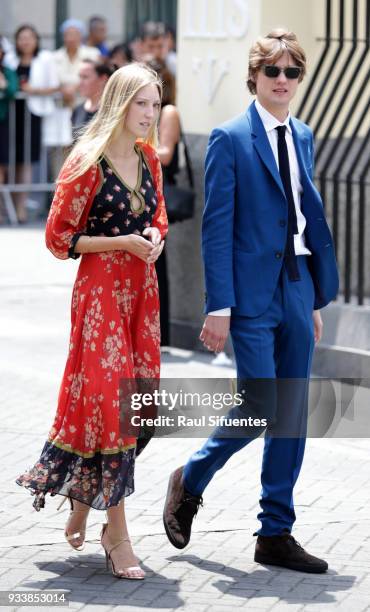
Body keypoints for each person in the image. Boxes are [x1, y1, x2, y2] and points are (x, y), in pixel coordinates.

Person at [163, 30, 339, 574]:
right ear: (255, 77)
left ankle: (276, 532)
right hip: (249, 298)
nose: (283, 81)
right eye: (274, 72)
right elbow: (216, 229)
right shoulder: (229, 137)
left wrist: (310, 296)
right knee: (259, 403)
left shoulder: (304, 135)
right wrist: (219, 305)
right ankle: (191, 477)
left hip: (296, 286)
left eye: (292, 73)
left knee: (291, 411)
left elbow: (301, 220)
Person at [16, 63, 168, 580]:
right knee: (113, 403)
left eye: (155, 103)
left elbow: (160, 214)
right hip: (101, 291)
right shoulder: (87, 162)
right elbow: (60, 240)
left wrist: (154, 238)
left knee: (141, 402)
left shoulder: (150, 159)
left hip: (142, 295)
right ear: (119, 104)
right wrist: (121, 243)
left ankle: (85, 496)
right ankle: (118, 534)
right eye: (141, 104)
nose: (149, 114)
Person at [5, 24, 60, 222]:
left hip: (34, 112)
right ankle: (6, 207)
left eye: (29, 37)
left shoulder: (45, 58)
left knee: (26, 161)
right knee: (8, 160)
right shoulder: (10, 58)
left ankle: (20, 207)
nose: (25, 41)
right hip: (11, 114)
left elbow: (55, 86)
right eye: (21, 38)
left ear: (36, 40)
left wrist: (32, 90)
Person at [147, 58, 180, 347]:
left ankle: (163, 335)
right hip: (141, 189)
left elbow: (167, 152)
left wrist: (134, 151)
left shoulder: (168, 112)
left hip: (158, 190)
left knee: (159, 263)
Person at [54, 19, 100, 109]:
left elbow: (95, 76)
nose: (71, 38)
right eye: (68, 34)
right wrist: (63, 90)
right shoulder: (55, 56)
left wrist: (74, 88)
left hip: (85, 103)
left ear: (81, 36)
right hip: (60, 105)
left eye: (75, 34)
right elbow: (52, 79)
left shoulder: (92, 53)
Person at [71, 59, 114, 137]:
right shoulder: (77, 110)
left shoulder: (113, 111)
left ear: (103, 79)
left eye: (85, 77)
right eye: (80, 77)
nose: (80, 83)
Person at [0, 40, 18, 187]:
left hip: (2, 122)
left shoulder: (7, 72)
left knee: (1, 164)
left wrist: (4, 85)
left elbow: (12, 90)